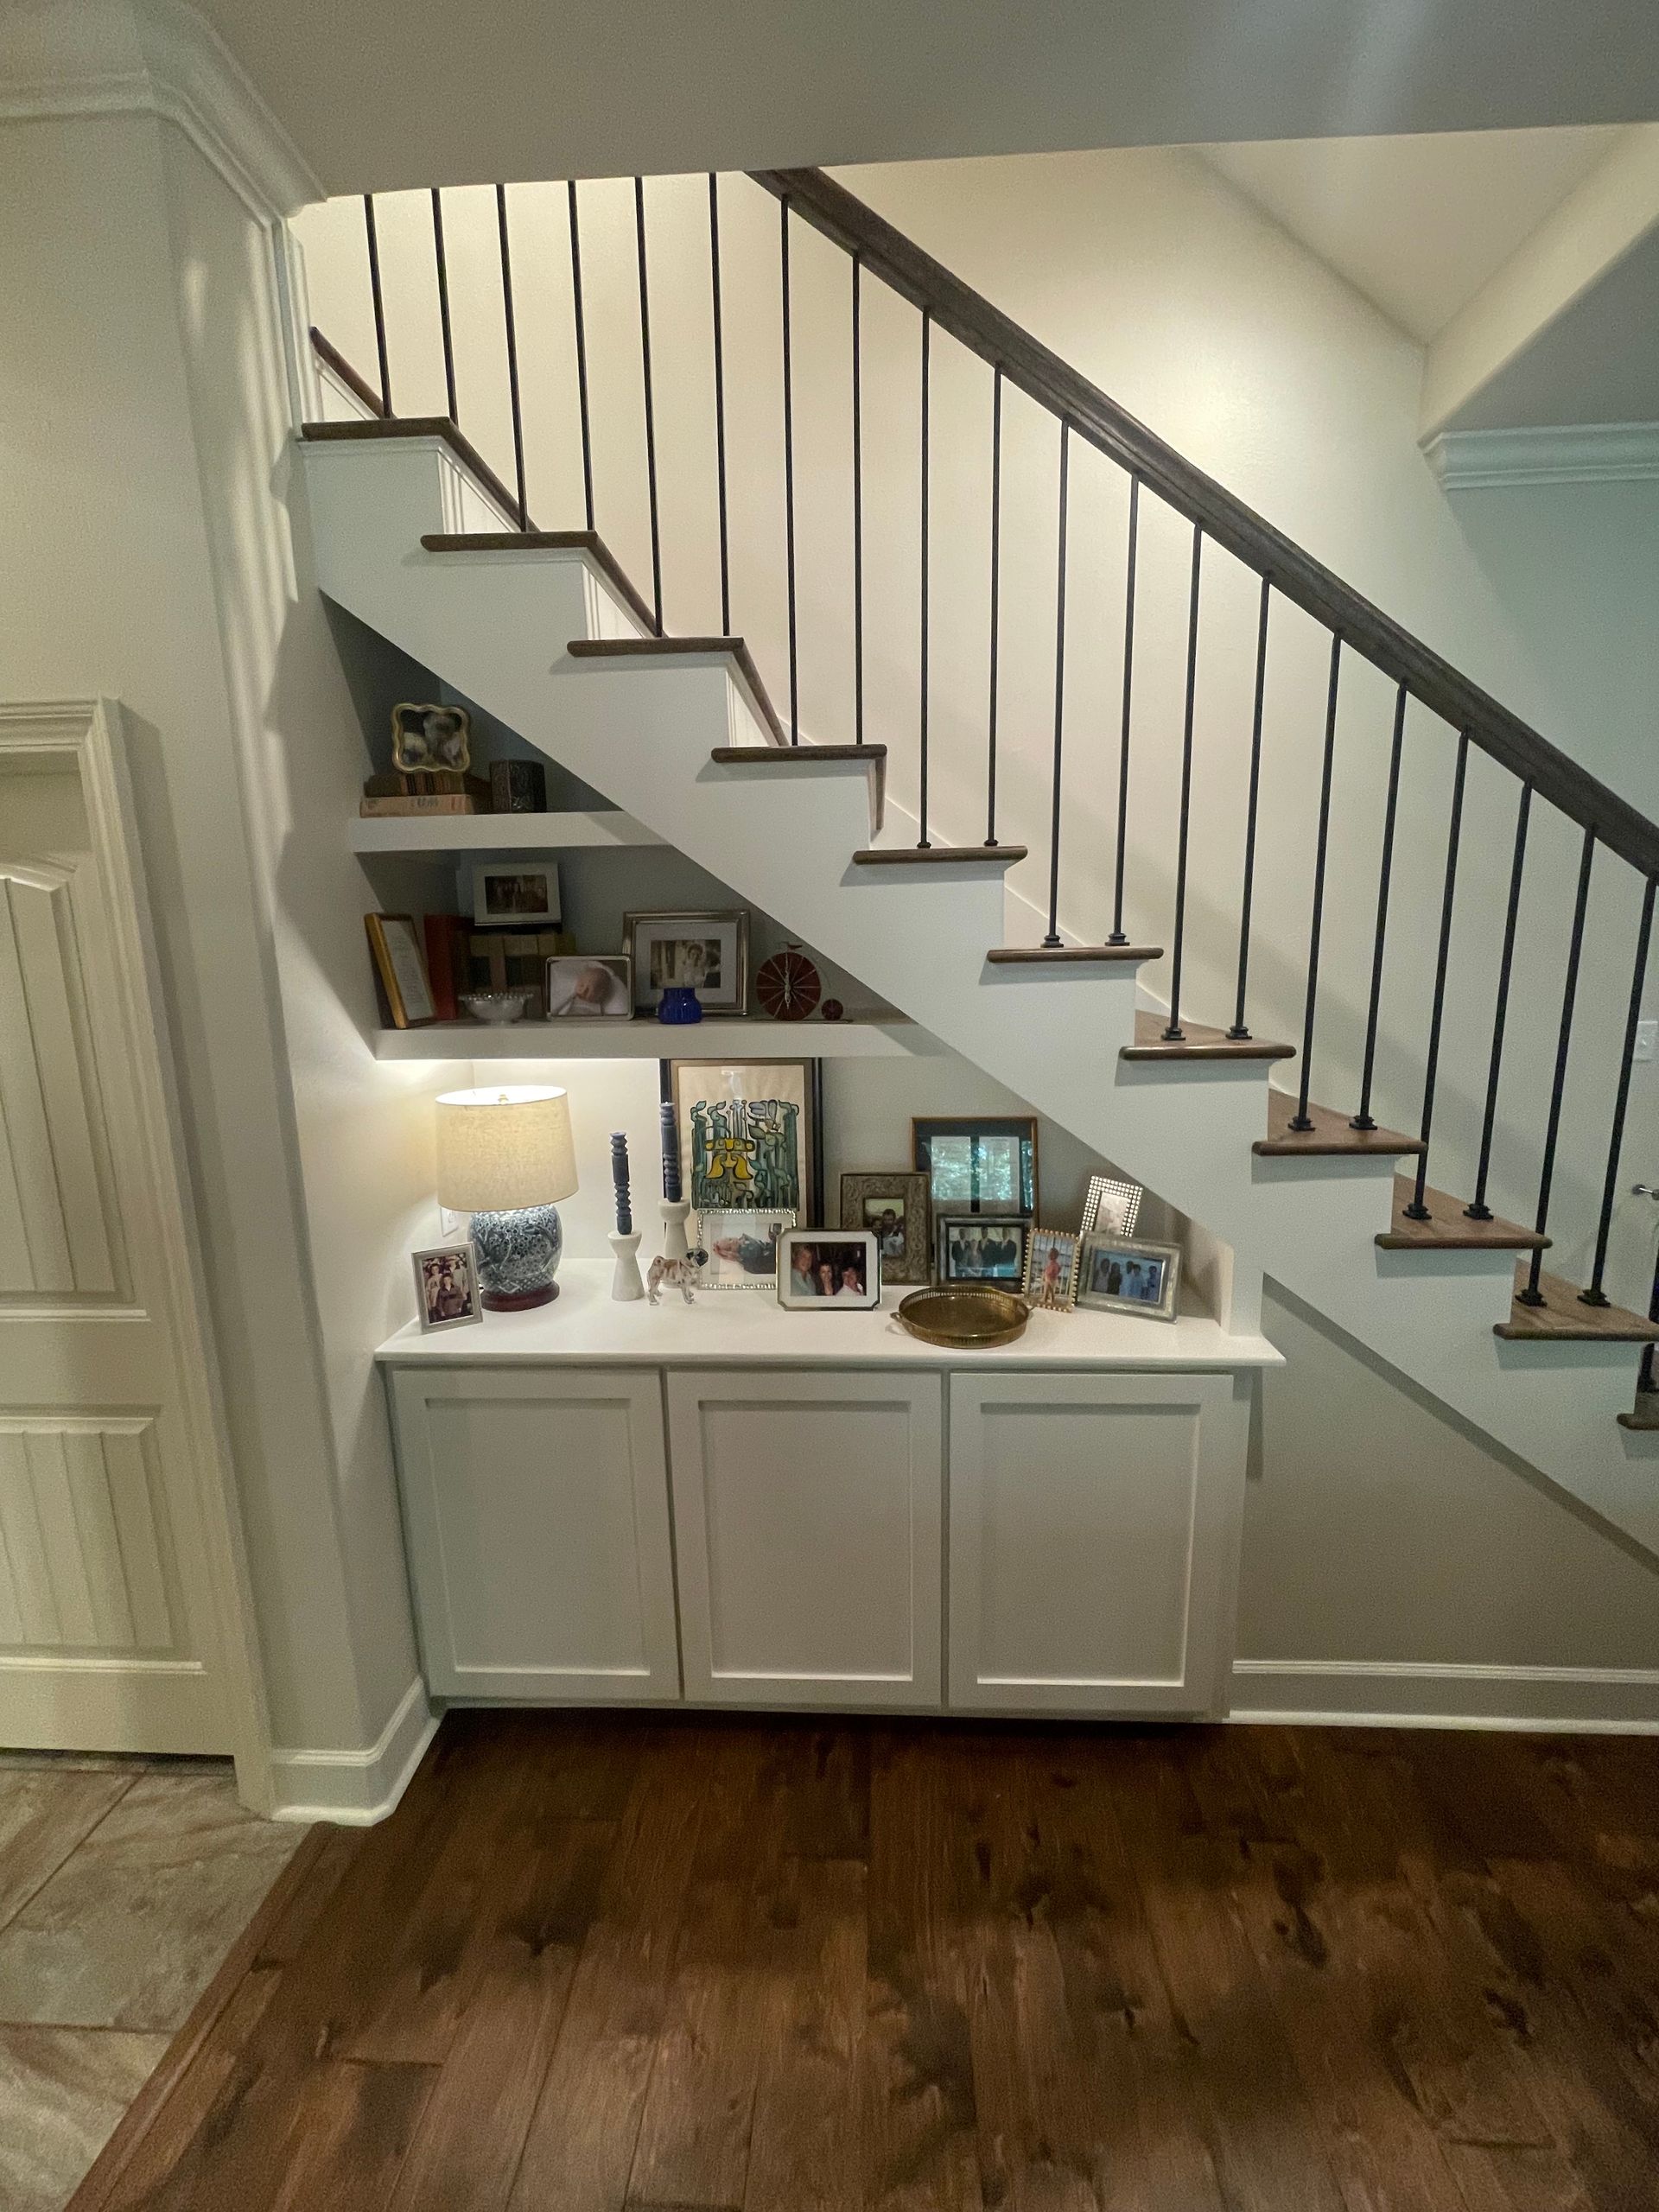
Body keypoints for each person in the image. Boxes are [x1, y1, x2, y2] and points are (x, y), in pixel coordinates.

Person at [546, 959, 628, 1017]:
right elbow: (557, 1003)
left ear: (600, 994)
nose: (583, 990)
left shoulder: (598, 1008)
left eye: (589, 990)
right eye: (581, 985)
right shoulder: (570, 994)